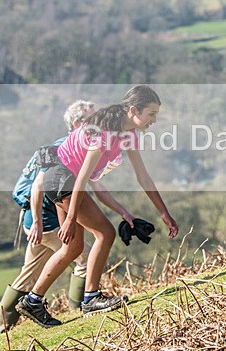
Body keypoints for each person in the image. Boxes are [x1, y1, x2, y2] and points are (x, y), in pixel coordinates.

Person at [16, 85, 179, 328]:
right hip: (64, 180)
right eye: (151, 114)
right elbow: (82, 176)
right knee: (105, 232)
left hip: (63, 181)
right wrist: (71, 217)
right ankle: (91, 297)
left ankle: (32, 301)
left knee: (73, 248)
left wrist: (163, 212)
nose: (154, 120)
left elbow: (142, 176)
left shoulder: (129, 135)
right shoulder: (105, 132)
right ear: (134, 110)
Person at [0, 100, 139, 335]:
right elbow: (39, 184)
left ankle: (3, 328)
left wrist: (123, 212)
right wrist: (40, 221)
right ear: (80, 123)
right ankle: (81, 304)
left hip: (45, 214)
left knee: (31, 272)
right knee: (83, 254)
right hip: (45, 217)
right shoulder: (64, 145)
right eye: (93, 117)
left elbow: (96, 187)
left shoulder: (85, 144)